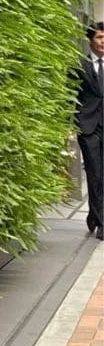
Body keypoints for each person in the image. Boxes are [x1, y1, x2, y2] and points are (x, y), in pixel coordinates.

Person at [74, 22, 104, 240]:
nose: (103, 42)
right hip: (88, 128)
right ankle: (102, 223)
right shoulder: (79, 65)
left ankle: (94, 214)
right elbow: (70, 96)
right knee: (94, 174)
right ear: (90, 40)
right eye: (100, 38)